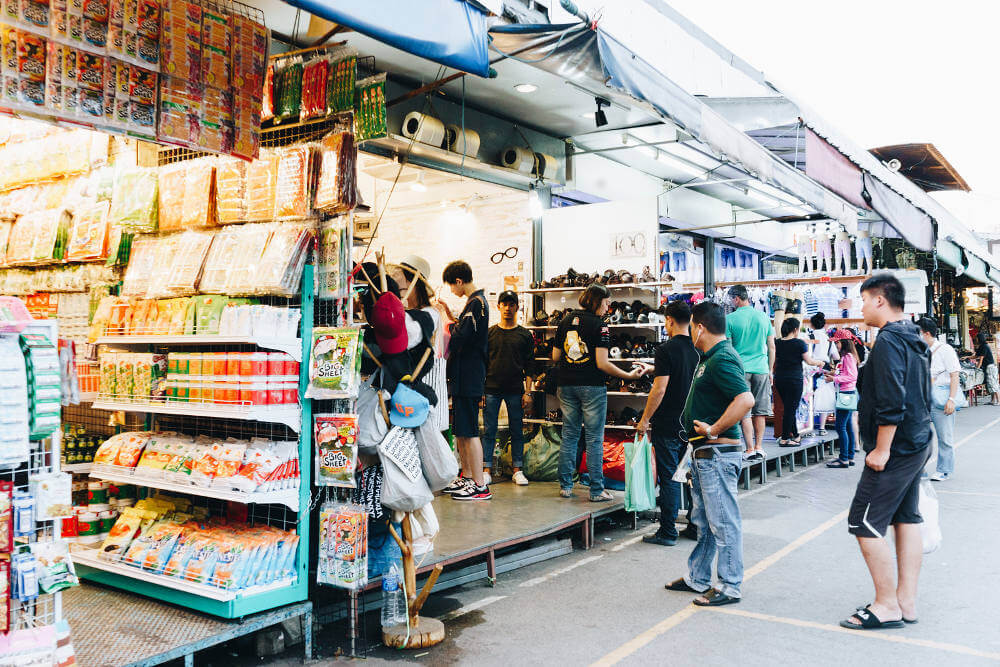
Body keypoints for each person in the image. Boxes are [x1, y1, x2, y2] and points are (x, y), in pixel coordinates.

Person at [842, 274, 931, 631]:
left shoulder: (889, 341)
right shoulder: (913, 336)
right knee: (905, 517)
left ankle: (886, 604)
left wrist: (881, 449)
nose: (861, 307)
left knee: (862, 522)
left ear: (879, 300)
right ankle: (905, 601)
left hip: (897, 447)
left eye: (863, 300)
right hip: (917, 440)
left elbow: (893, 400)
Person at [663, 301, 754, 606]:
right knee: (705, 520)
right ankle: (698, 577)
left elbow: (746, 399)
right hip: (704, 455)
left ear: (699, 327)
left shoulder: (722, 359)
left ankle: (729, 585)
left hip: (717, 454)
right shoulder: (710, 357)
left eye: (691, 327)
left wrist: (714, 429)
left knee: (723, 521)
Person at [553, 283, 648, 502]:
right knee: (594, 439)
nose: (607, 308)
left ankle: (566, 486)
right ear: (597, 301)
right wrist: (629, 376)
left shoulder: (565, 321)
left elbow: (556, 357)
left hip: (566, 384)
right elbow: (602, 363)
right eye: (606, 303)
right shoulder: (601, 326)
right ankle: (596, 491)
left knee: (569, 435)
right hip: (592, 386)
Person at [637, 301, 700, 546]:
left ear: (670, 321)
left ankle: (668, 532)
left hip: (668, 423)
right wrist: (653, 368)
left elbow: (660, 388)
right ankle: (695, 526)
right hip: (693, 423)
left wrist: (644, 420)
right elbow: (682, 373)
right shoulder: (698, 348)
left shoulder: (666, 349)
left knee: (670, 477)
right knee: (692, 476)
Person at [439, 260, 491, 501]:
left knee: (470, 431)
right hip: (462, 375)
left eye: (452, 285)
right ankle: (468, 477)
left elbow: (461, 338)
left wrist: (446, 322)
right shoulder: (473, 305)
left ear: (459, 281)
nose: (452, 290)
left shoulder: (477, 303)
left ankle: (480, 484)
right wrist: (450, 315)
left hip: (470, 375)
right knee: (461, 430)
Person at [482, 290, 535, 486]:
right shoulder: (490, 334)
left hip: (515, 389)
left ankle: (517, 470)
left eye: (511, 304)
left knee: (517, 430)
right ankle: (486, 469)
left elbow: (530, 365)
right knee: (489, 430)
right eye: (504, 304)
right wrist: (481, 391)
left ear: (517, 307)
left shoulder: (524, 335)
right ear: (498, 306)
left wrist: (528, 392)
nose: (507, 308)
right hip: (491, 388)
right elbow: (482, 363)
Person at [398, 256, 449, 434]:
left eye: (402, 281)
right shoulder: (417, 313)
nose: (399, 287)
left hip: (426, 398)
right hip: (415, 401)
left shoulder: (429, 314)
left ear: (413, 283)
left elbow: (410, 336)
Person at [725, 285, 774, 461]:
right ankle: (760, 447)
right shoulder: (763, 317)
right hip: (761, 368)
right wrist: (770, 369)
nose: (731, 302)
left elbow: (728, 348)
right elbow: (771, 346)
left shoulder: (729, 319)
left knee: (744, 410)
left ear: (737, 298)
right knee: (760, 411)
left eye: (731, 299)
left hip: (740, 370)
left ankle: (749, 449)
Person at [918, 318, 960, 482]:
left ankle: (944, 470)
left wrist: (951, 399)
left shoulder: (945, 350)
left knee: (945, 437)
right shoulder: (919, 350)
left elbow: (954, 374)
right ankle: (919, 469)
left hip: (941, 395)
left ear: (926, 333)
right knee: (920, 435)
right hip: (923, 396)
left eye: (918, 333)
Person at [772, 318, 824, 446]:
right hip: (794, 379)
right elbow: (809, 361)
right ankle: (784, 438)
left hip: (779, 378)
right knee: (790, 409)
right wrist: (820, 363)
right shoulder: (799, 343)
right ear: (795, 330)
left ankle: (795, 436)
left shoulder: (777, 343)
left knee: (789, 408)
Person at [824, 333, 860, 468]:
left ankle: (844, 458)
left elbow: (851, 376)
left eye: (837, 342)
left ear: (843, 342)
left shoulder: (848, 357)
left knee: (841, 426)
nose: (836, 345)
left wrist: (834, 379)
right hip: (847, 393)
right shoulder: (848, 357)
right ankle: (849, 457)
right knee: (848, 426)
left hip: (846, 394)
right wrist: (834, 375)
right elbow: (847, 374)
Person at [808, 313, 838, 434]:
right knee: (824, 398)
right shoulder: (828, 339)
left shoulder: (808, 335)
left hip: (810, 367)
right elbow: (836, 356)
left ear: (811, 324)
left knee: (808, 397)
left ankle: (807, 427)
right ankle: (822, 428)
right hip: (824, 368)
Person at [976, 332, 999, 405]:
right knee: (989, 384)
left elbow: (981, 359)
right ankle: (992, 400)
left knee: (993, 384)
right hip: (988, 367)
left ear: (979, 339)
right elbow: (976, 356)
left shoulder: (985, 346)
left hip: (990, 367)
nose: (975, 339)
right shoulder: (982, 346)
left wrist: (977, 368)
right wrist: (967, 357)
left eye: (976, 338)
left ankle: (998, 401)